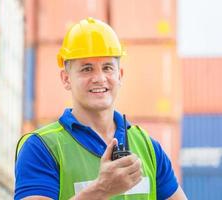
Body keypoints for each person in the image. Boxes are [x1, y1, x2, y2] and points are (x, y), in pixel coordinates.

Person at [14, 17, 187, 200]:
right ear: (66, 78)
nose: (99, 78)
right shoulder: (41, 148)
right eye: (87, 69)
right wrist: (101, 189)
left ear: (119, 75)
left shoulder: (148, 147)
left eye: (107, 68)